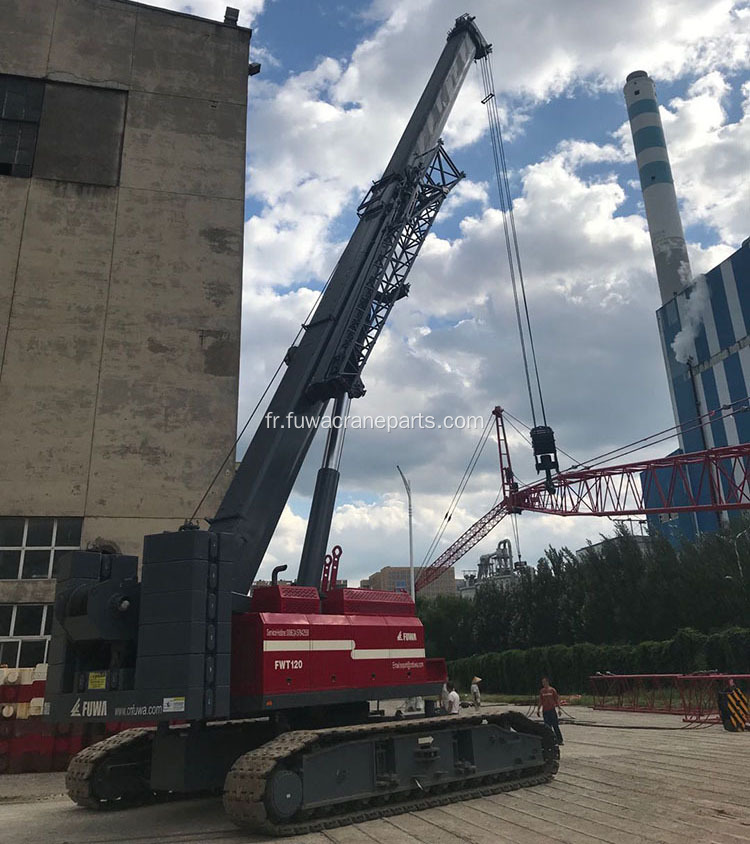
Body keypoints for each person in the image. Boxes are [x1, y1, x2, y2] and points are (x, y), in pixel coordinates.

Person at [537, 676, 563, 745]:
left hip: (552, 710)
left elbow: (557, 700)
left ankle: (560, 740)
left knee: (555, 725)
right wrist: (538, 710)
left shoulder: (552, 690)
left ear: (547, 682)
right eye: (542, 682)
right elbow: (540, 701)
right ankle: (550, 740)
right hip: (545, 711)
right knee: (547, 727)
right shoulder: (542, 691)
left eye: (544, 682)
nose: (543, 684)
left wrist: (559, 709)